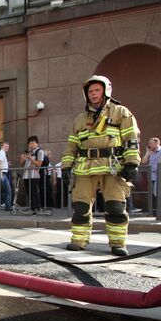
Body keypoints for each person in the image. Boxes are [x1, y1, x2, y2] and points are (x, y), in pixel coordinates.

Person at [60, 75, 141, 257]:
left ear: (106, 91)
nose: (93, 94)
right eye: (90, 91)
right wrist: (66, 166)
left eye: (97, 90)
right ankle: (79, 240)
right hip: (85, 168)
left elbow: (131, 139)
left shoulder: (121, 113)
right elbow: (72, 145)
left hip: (113, 167)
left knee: (115, 207)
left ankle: (117, 243)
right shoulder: (80, 119)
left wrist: (132, 163)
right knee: (80, 207)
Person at [19, 136, 45, 214]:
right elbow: (21, 164)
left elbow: (39, 164)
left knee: (34, 192)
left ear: (37, 143)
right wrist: (23, 158)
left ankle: (36, 208)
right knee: (29, 192)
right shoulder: (28, 152)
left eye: (33, 143)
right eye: (30, 143)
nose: (31, 144)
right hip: (26, 175)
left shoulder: (40, 152)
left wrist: (30, 158)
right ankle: (32, 207)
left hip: (34, 175)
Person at [141, 137, 161, 208]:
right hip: (151, 176)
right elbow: (143, 162)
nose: (149, 145)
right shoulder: (150, 152)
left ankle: (158, 208)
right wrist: (147, 153)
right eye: (149, 143)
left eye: (151, 143)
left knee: (157, 193)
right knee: (151, 193)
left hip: (160, 176)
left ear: (157, 143)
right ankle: (153, 209)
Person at [0, 142, 12, 211]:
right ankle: (7, 206)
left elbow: (0, 162)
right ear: (2, 146)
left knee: (4, 190)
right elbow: (0, 162)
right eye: (5, 146)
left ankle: (6, 206)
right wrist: (1, 173)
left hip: (0, 172)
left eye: (8, 146)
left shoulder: (0, 153)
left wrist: (6, 164)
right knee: (7, 190)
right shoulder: (2, 153)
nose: (7, 148)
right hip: (1, 173)